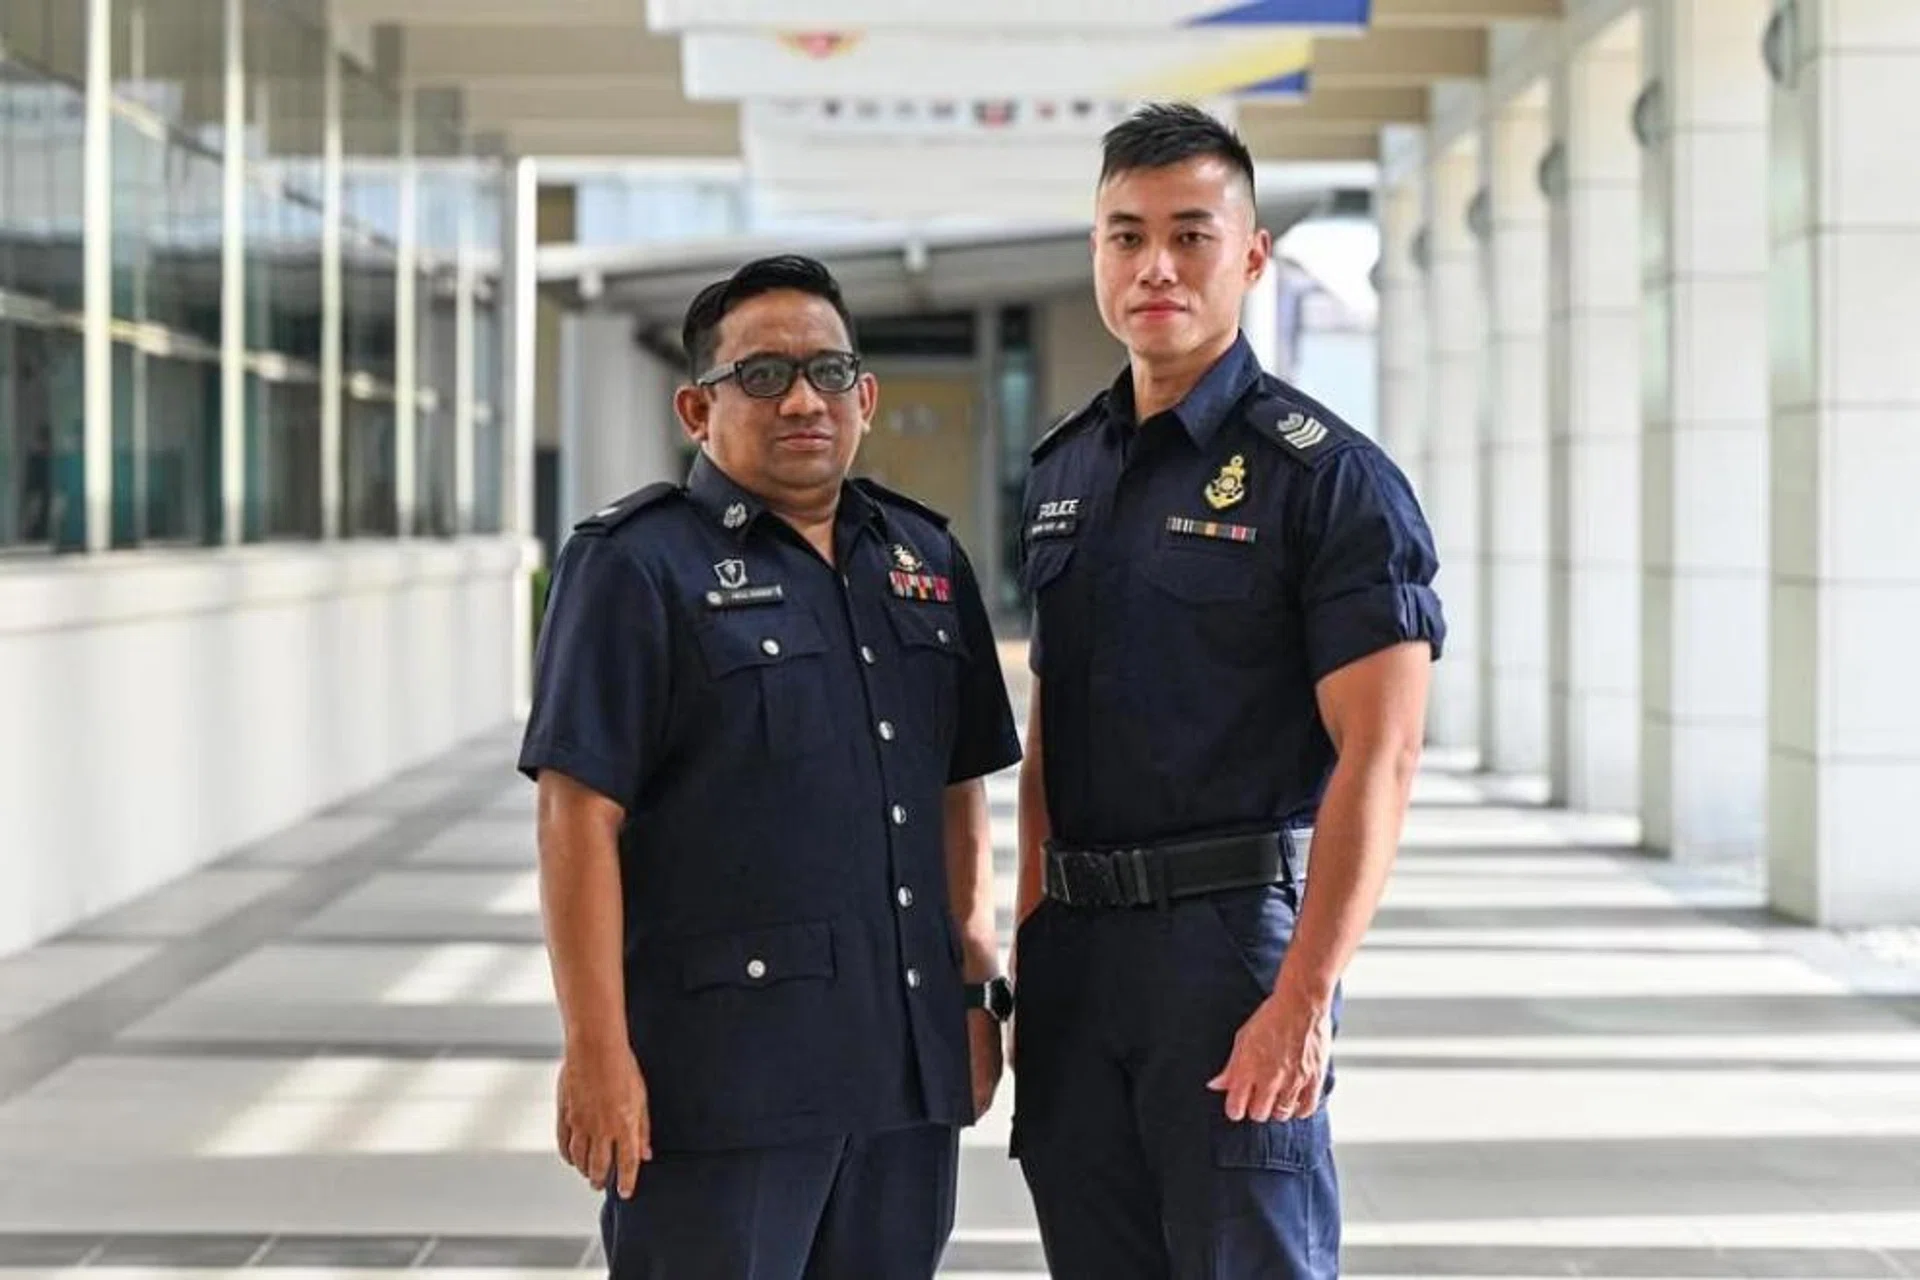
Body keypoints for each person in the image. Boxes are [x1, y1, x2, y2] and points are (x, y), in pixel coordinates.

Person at [517, 253, 1022, 1279]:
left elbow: (956, 786)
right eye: (762, 375)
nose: (802, 398)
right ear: (698, 408)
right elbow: (578, 818)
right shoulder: (634, 565)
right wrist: (595, 1049)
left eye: (829, 373)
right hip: (722, 1080)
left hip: (903, 1073)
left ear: (866, 397)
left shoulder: (923, 561)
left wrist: (976, 991)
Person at [1008, 103, 1446, 1279]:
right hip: (1079, 953)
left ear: (1251, 255)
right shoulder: (1066, 468)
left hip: (1232, 950)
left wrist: (1306, 994)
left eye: (1191, 234)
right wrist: (1029, 930)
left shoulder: (1332, 479)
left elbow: (1383, 757)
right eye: (1124, 234)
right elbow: (1052, 722)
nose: (1155, 264)